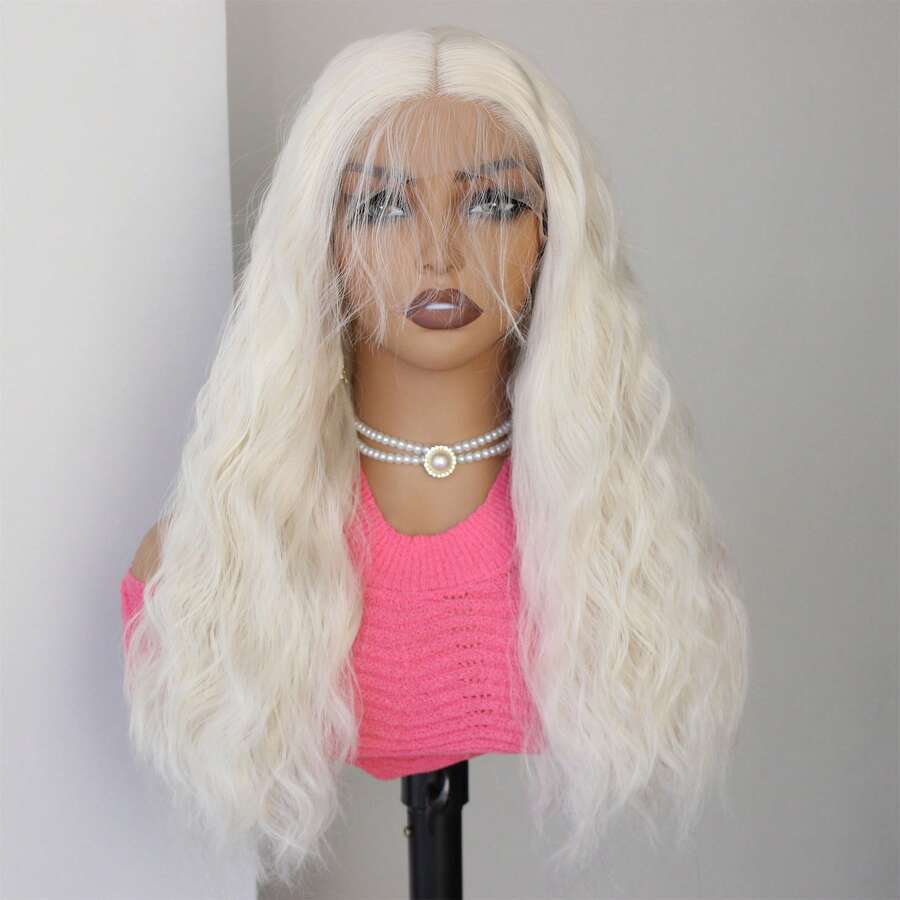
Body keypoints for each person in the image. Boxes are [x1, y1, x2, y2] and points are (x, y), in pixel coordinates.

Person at [121, 24, 749, 890]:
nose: (440, 253)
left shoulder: (641, 556)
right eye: (383, 207)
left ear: (553, 234)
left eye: (492, 204)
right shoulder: (205, 568)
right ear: (321, 238)